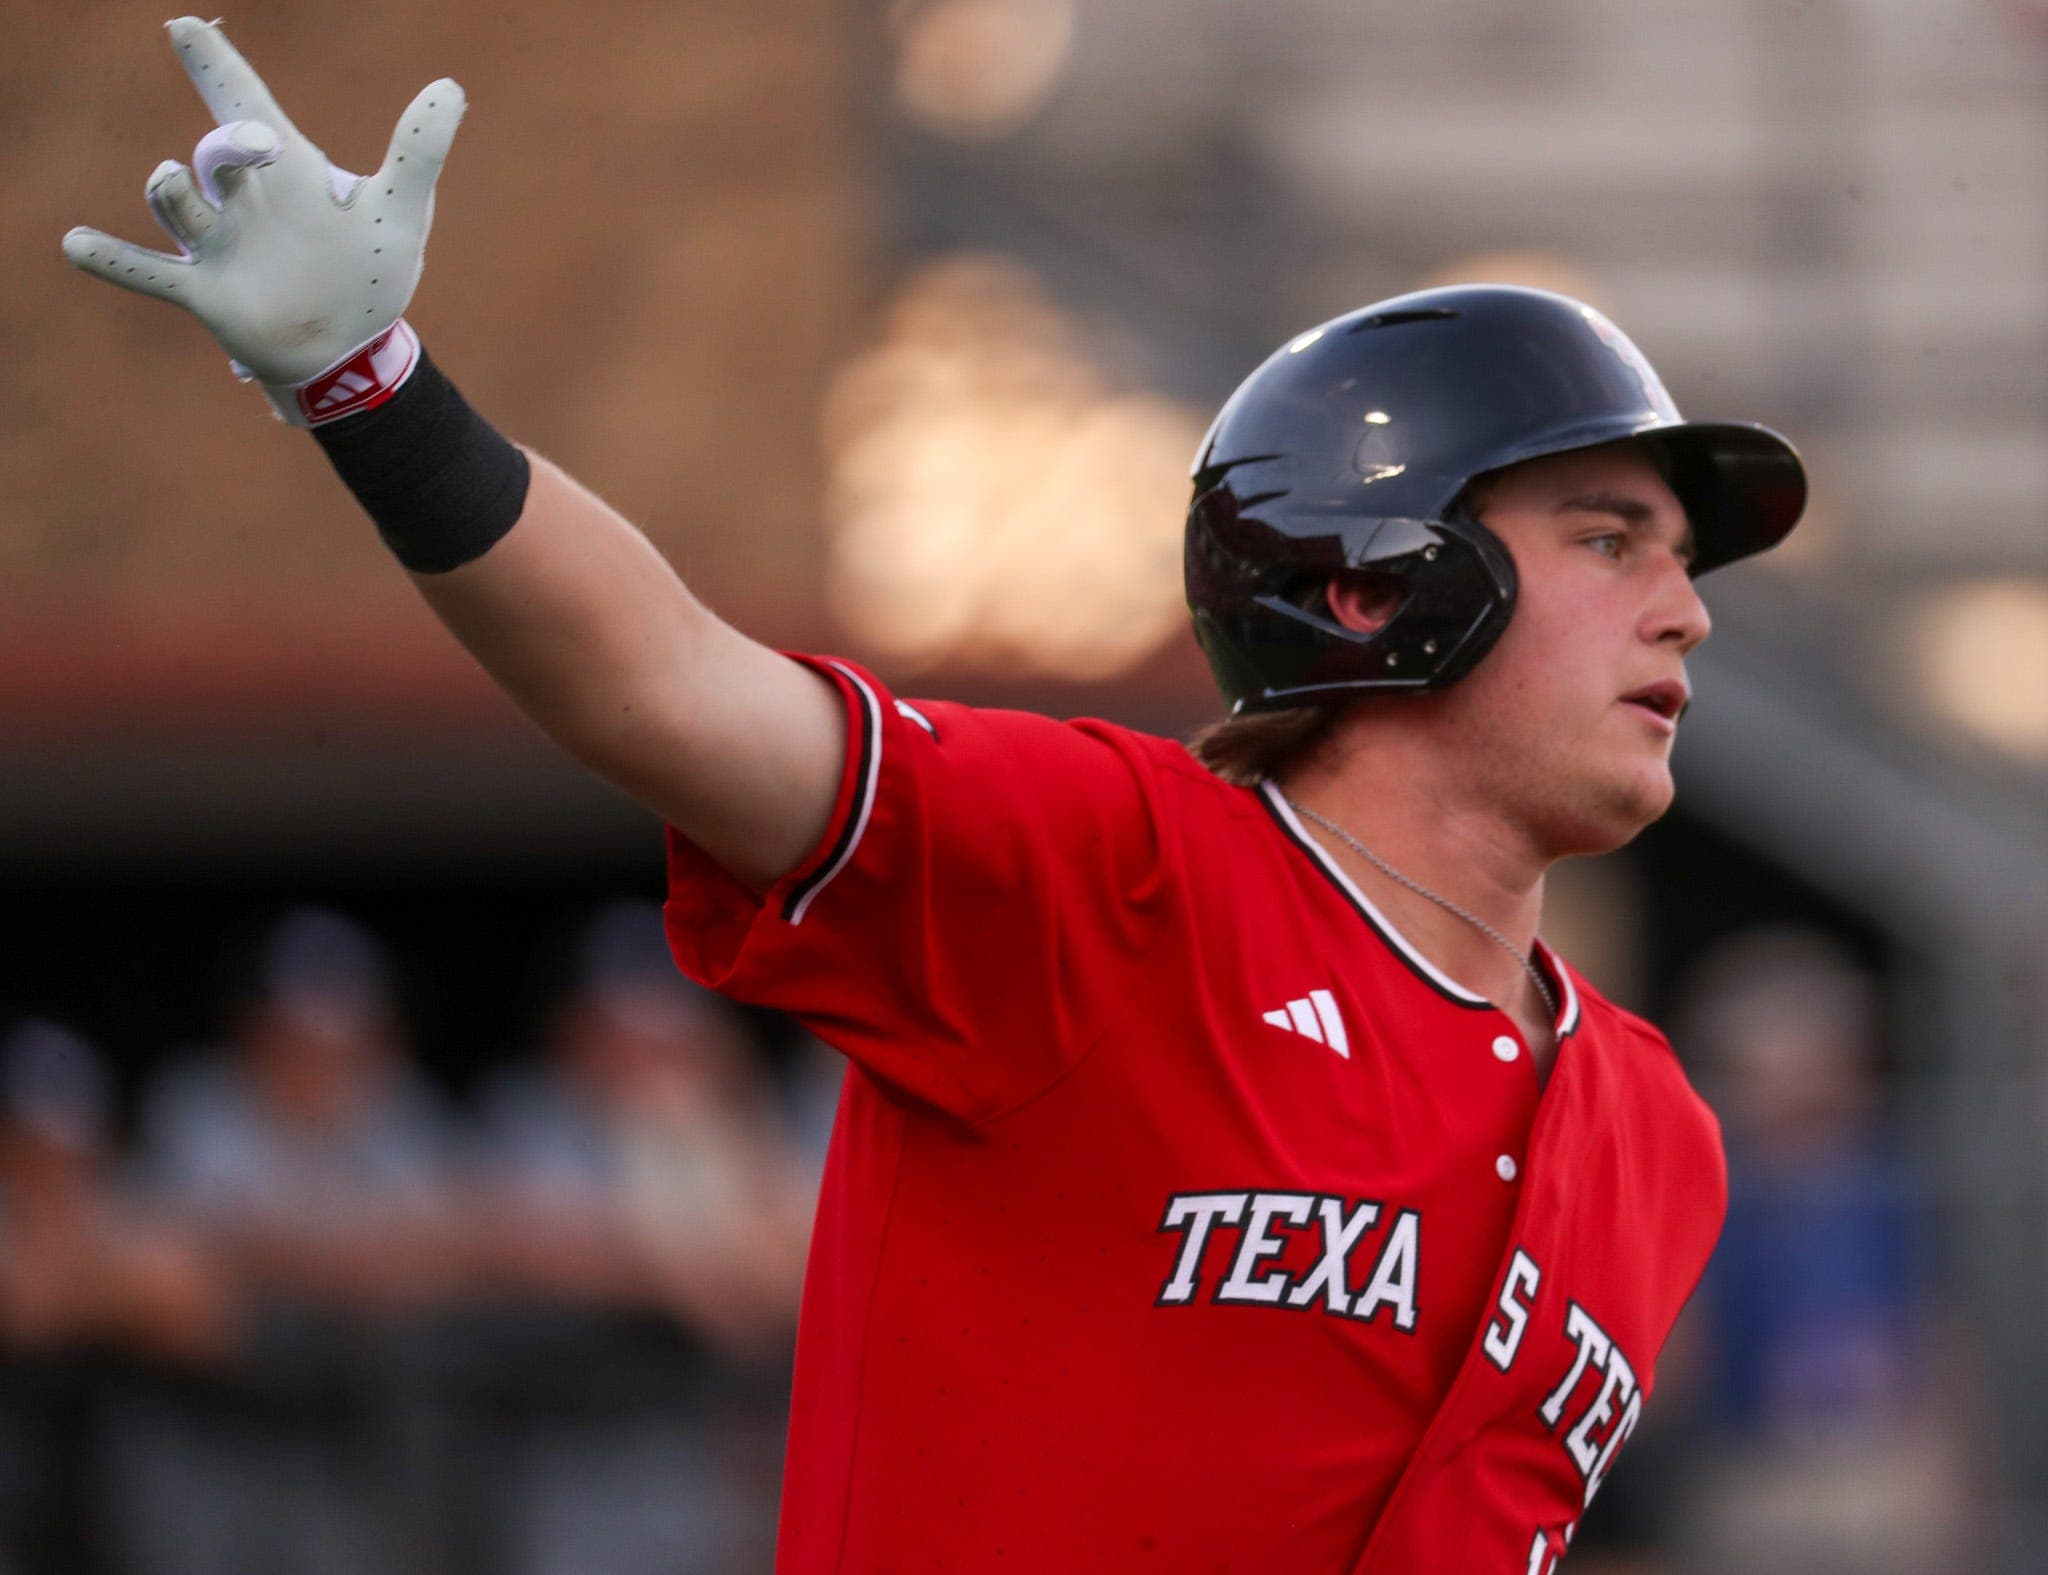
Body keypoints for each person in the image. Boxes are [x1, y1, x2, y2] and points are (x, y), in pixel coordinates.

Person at [63, 21, 1807, 1572]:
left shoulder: (1660, 1132)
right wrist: (373, 389)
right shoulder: (1108, 871)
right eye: (1607, 539)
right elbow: (666, 687)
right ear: (1373, 584)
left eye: (1679, 560)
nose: (1688, 608)